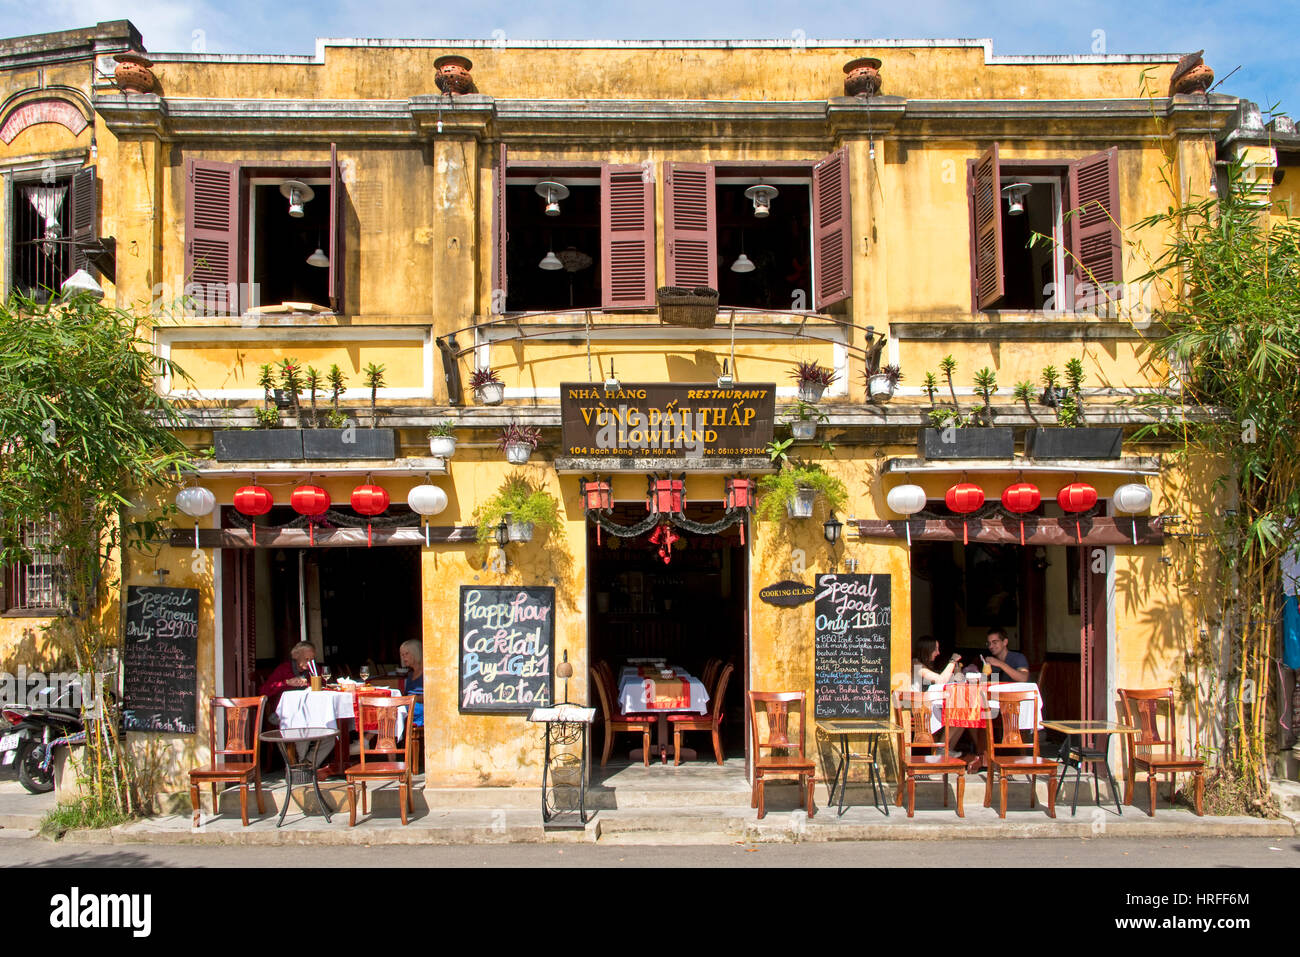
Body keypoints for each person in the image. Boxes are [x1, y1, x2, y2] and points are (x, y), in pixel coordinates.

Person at [259, 641, 320, 717]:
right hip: (286, 711)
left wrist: (309, 685)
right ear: (296, 656)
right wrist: (287, 682)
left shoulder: (314, 669)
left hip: (310, 708)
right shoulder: (283, 669)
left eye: (312, 659)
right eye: (306, 659)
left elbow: (322, 687)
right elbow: (264, 691)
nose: (309, 662)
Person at [399, 639, 423, 728]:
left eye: (407, 654)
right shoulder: (410, 674)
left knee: (395, 710)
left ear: (416, 653)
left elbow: (429, 697)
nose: (404, 657)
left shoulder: (425, 673)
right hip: (410, 704)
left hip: (420, 708)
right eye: (402, 654)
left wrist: (410, 699)